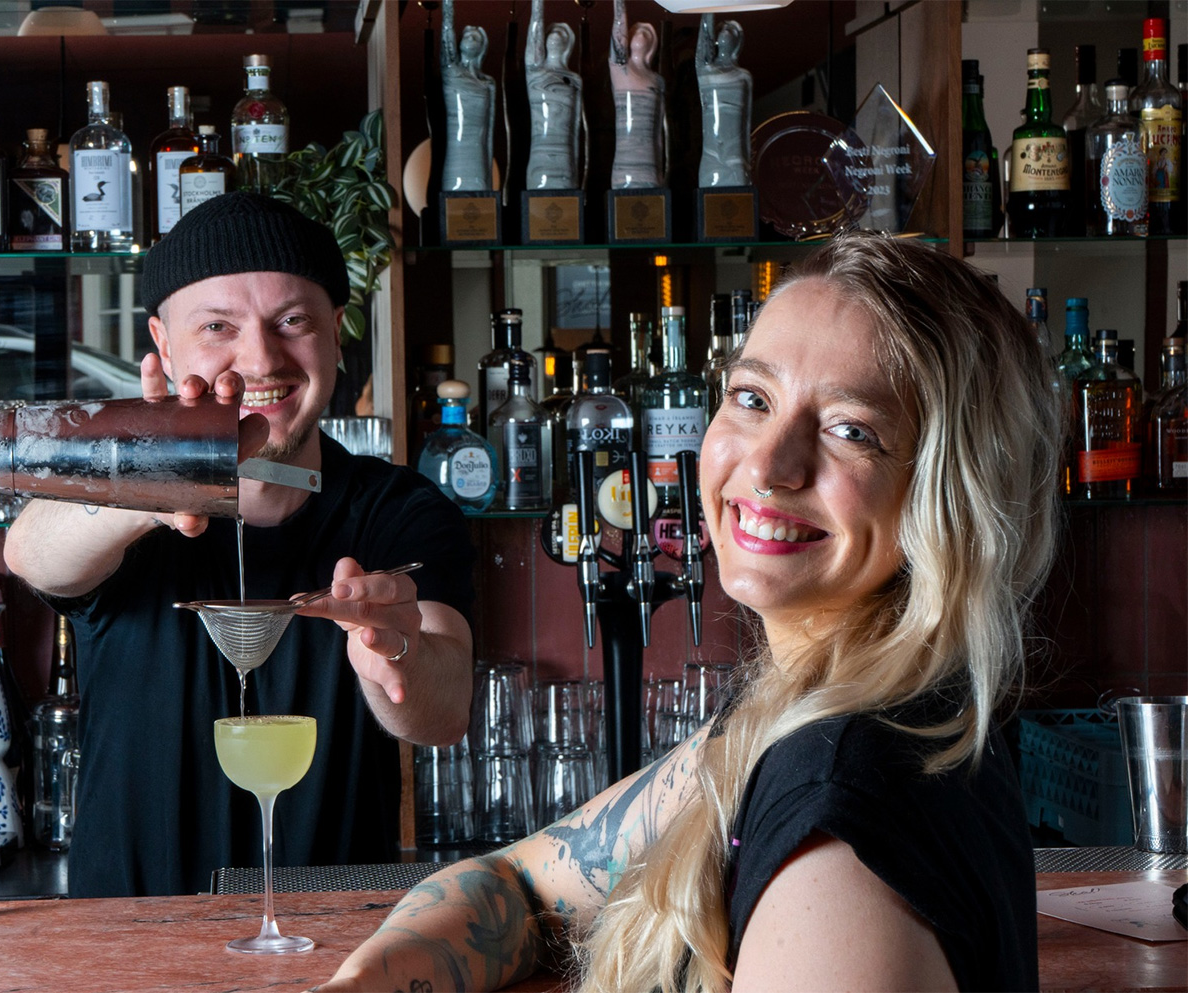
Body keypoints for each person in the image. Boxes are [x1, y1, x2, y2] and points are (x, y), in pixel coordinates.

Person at [313, 233, 1061, 992]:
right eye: (753, 398)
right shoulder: (824, 717)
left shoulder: (840, 836)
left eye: (851, 430)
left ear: (955, 491)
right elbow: (519, 885)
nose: (768, 464)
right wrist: (359, 983)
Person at [3, 192, 476, 898]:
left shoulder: (398, 510)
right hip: (132, 933)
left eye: (292, 321)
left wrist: (394, 654)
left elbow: (443, 711)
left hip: (332, 935)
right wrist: (156, 473)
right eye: (218, 325)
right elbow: (31, 554)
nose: (261, 357)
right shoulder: (126, 509)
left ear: (335, 332)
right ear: (164, 344)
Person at [525, 0, 582, 191]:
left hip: (565, 156)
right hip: (540, 155)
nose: (557, 35)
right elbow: (535, 31)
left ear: (568, 44)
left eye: (562, 33)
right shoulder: (536, 72)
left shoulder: (574, 79)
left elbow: (576, 126)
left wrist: (575, 165)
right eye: (553, 32)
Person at [439, 0, 495, 193]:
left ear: (482, 47)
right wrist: (448, 4)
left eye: (476, 38)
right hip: (456, 158)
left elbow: (490, 130)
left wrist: (489, 176)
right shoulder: (451, 71)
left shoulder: (488, 83)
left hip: (478, 156)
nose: (470, 38)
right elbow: (447, 32)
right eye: (467, 35)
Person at [609, 0, 665, 190]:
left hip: (650, 167)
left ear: (652, 44)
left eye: (647, 32)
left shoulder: (657, 80)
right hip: (623, 167)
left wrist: (661, 171)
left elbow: (659, 130)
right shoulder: (621, 70)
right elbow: (618, 32)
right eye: (637, 31)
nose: (641, 33)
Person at [696, 12, 753, 189]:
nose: (726, 33)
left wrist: (747, 163)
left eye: (731, 30)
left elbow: (747, 122)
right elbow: (704, 41)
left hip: (736, 159)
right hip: (712, 157)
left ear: (738, 41)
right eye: (722, 30)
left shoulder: (744, 76)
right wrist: (709, 9)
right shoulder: (706, 70)